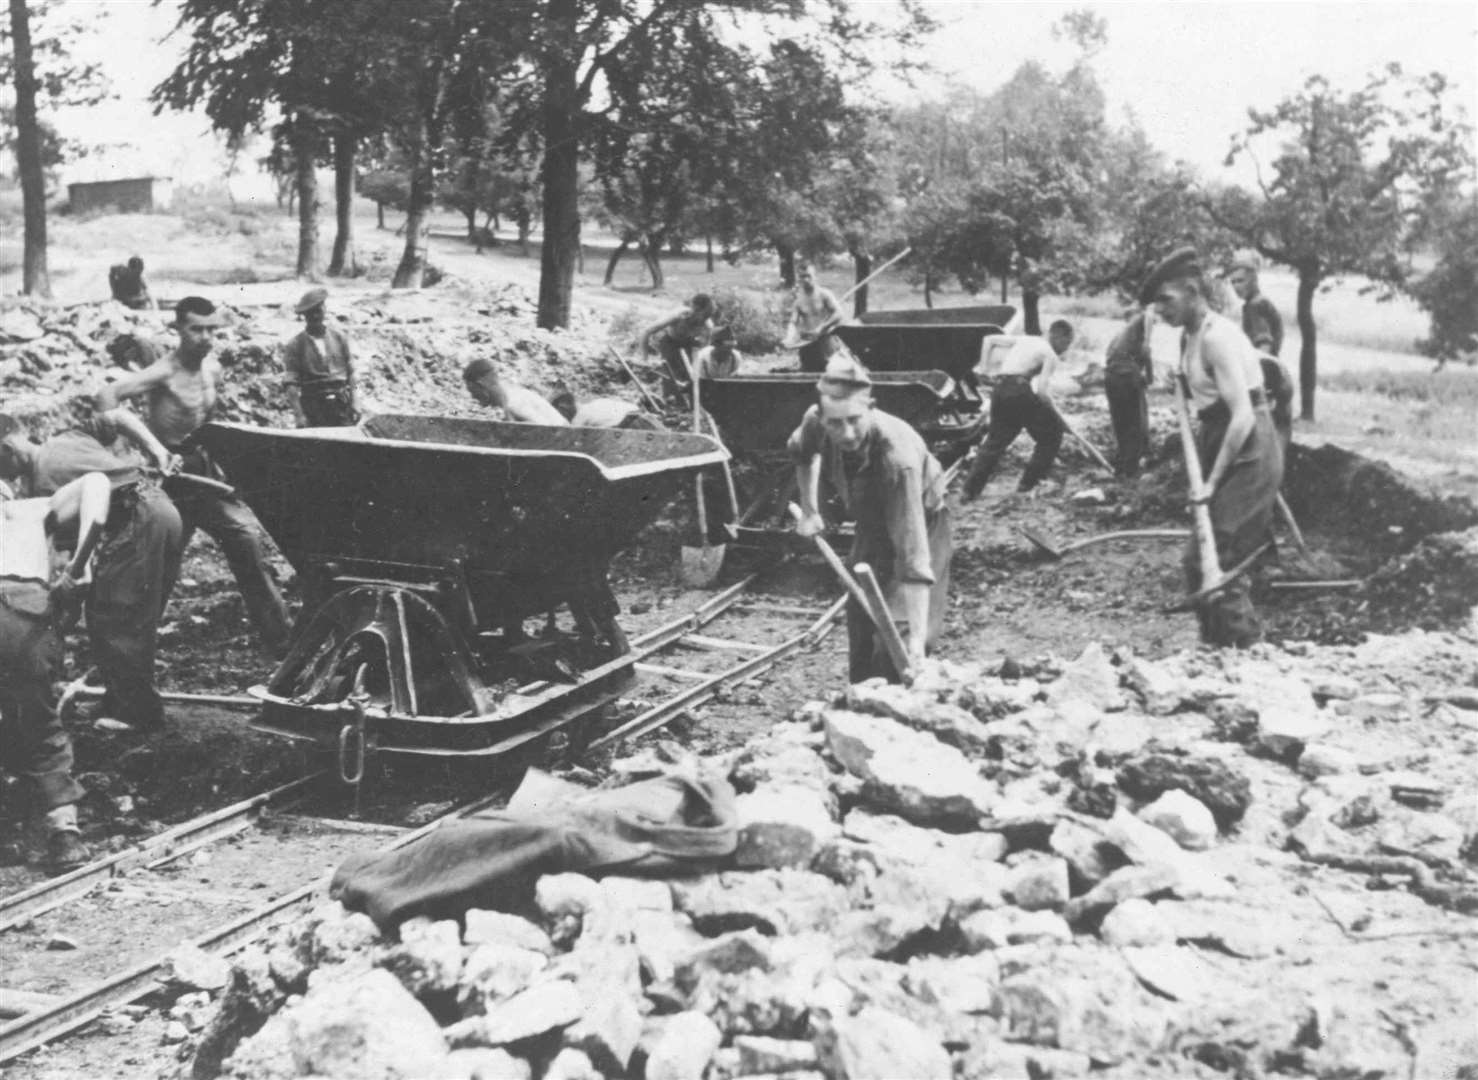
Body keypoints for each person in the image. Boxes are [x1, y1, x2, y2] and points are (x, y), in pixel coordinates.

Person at [94, 296, 292, 659]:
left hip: (205, 472)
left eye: (211, 329)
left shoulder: (212, 369)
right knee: (161, 568)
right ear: (178, 330)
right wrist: (135, 445)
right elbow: (107, 395)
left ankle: (284, 645)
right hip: (172, 478)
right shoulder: (163, 372)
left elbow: (211, 423)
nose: (205, 337)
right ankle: (132, 654)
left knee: (247, 541)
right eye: (195, 329)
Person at [0, 413, 184, 734]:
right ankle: (119, 701)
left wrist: (56, 614)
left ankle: (139, 715)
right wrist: (157, 450)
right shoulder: (65, 437)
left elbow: (75, 561)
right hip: (163, 510)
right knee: (120, 610)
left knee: (117, 616)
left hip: (137, 518)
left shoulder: (44, 482)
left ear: (7, 448)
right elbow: (118, 416)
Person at [1142, 246, 1284, 648]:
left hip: (1248, 445)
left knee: (1221, 557)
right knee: (1197, 561)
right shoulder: (1191, 335)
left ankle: (1248, 653)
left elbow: (1241, 415)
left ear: (1191, 290)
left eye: (1166, 300)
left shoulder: (1217, 337)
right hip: (1220, 437)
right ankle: (1214, 654)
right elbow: (1211, 401)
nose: (1160, 311)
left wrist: (1211, 481)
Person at [789, 356, 952, 684]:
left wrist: (917, 642)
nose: (847, 434)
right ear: (821, 417)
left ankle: (900, 712)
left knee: (900, 642)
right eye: (836, 424)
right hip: (871, 521)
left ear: (871, 408)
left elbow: (914, 559)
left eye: (854, 420)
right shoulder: (815, 420)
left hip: (922, 521)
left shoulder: (897, 461)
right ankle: (860, 701)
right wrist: (810, 510)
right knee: (863, 625)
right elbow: (803, 454)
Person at [0, 469, 112, 872]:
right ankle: (64, 834)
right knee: (40, 720)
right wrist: (81, 561)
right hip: (25, 612)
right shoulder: (29, 509)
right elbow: (98, 483)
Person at [963, 320, 1075, 499]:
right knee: (1052, 435)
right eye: (1066, 344)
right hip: (1019, 390)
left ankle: (969, 491)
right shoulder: (1050, 355)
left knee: (995, 441)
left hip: (999, 389)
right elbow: (1042, 393)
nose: (1065, 350)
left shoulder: (1027, 340)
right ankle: (1027, 485)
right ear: (1060, 337)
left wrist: (984, 369)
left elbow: (989, 339)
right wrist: (1059, 420)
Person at [282, 288, 361, 428]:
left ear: (325, 310)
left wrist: (355, 401)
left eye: (318, 311)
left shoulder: (339, 338)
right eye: (310, 313)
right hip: (313, 405)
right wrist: (299, 415)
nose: (315, 316)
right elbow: (291, 384)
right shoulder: (295, 345)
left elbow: (353, 374)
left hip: (341, 403)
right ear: (304, 316)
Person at [1103, 311, 1155, 478]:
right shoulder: (1140, 323)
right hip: (1126, 375)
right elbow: (1149, 314)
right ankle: (1131, 469)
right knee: (1135, 423)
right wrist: (1149, 376)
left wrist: (1145, 374)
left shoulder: (1119, 337)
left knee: (1120, 422)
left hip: (1111, 376)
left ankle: (1121, 465)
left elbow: (1109, 359)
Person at [463, 357, 569, 425]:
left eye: (473, 392)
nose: (473, 397)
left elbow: (543, 428)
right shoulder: (509, 397)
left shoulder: (513, 403)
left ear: (483, 385)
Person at [641, 294, 716, 389]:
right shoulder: (678, 316)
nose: (706, 319)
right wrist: (645, 359)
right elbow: (646, 332)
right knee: (671, 373)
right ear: (696, 310)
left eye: (709, 316)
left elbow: (705, 349)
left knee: (689, 375)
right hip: (669, 341)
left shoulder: (708, 326)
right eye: (705, 315)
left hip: (688, 343)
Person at [786, 263, 843, 373]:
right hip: (807, 344)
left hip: (826, 342)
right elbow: (793, 322)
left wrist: (822, 327)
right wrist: (789, 336)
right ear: (799, 279)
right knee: (808, 375)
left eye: (809, 276)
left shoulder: (824, 294)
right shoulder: (798, 299)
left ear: (815, 277)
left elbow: (839, 314)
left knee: (832, 375)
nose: (806, 279)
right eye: (802, 276)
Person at [1226, 252, 1283, 357]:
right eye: (1233, 282)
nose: (1236, 286)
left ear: (1254, 281)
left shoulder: (1256, 305)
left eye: (1240, 281)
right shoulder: (1253, 303)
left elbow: (1264, 345)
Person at [555, 395, 665, 432]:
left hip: (630, 426)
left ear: (564, 407)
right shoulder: (597, 402)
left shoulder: (579, 418)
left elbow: (569, 435)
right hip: (645, 417)